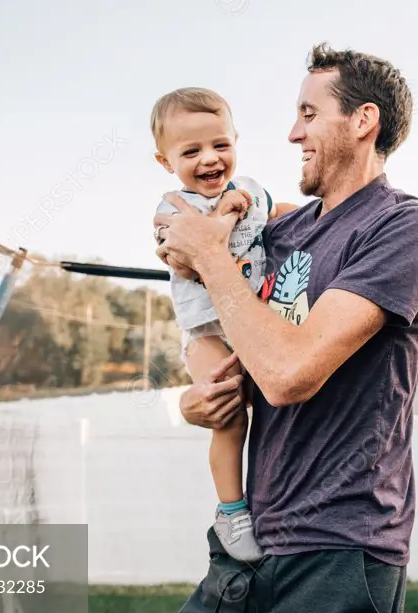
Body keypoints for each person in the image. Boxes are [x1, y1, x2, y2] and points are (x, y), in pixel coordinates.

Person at [151, 43, 418, 613]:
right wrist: (191, 398)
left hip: (339, 546)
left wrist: (210, 256)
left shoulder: (404, 228)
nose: (292, 133)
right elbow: (221, 319)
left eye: (308, 114)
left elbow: (289, 374)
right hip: (250, 538)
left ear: (362, 120)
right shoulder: (283, 233)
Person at [150, 87, 299, 562]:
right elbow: (191, 257)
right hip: (209, 332)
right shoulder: (172, 206)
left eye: (220, 145)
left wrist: (318, 217)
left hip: (254, 320)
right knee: (230, 414)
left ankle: (271, 498)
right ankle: (232, 511)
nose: (210, 159)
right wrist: (223, 216)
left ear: (236, 140)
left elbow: (278, 212)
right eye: (191, 151)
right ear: (164, 160)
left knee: (276, 403)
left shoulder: (252, 189)